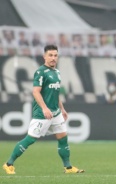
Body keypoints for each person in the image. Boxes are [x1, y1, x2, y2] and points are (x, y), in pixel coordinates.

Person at [3, 45, 84, 174]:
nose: (53, 58)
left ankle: (68, 167)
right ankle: (8, 164)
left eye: (55, 55)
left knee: (63, 137)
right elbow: (35, 92)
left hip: (56, 113)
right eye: (50, 55)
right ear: (44, 56)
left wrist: (62, 109)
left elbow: (55, 94)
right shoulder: (41, 72)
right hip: (43, 113)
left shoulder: (57, 72)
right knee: (30, 139)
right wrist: (45, 108)